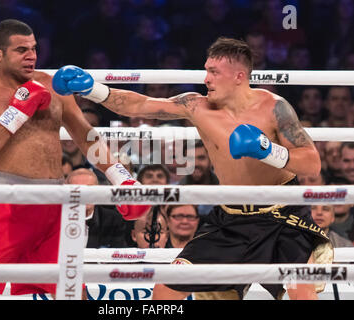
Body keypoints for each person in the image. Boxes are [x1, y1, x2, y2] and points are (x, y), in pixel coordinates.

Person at [53, 37, 332, 300]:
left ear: (239, 76)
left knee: (302, 292)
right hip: (232, 218)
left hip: (283, 216)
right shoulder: (197, 106)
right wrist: (93, 89)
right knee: (164, 289)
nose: (205, 78)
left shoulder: (274, 108)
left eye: (213, 72)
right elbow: (140, 105)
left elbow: (312, 163)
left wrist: (268, 151)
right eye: (205, 70)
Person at [0, 19, 149, 300]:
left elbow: (84, 135)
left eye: (34, 48)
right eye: (21, 50)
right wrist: (15, 113)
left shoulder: (52, 86)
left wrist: (120, 176)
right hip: (4, 204)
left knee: (71, 291)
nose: (31, 55)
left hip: (52, 203)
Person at [66, 168, 127, 248]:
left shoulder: (113, 220)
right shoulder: (56, 220)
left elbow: (118, 256)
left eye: (90, 189)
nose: (85, 194)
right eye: (78, 189)